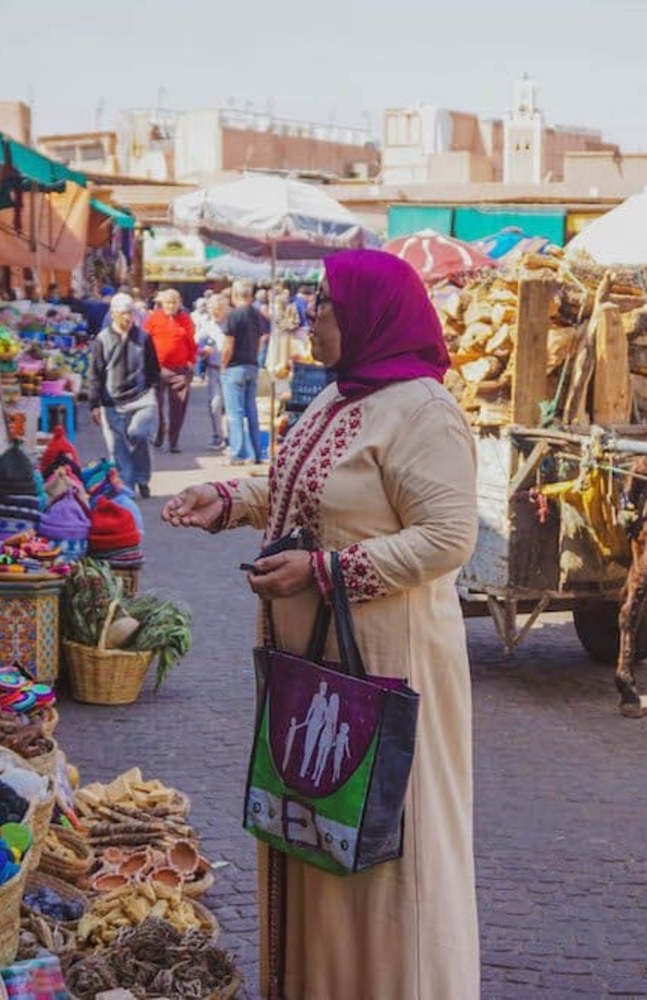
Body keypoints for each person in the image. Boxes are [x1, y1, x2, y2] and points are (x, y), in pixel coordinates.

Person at [161, 249, 480, 999]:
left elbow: (447, 537)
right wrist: (231, 499)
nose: (314, 317)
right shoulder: (339, 398)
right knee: (316, 828)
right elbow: (298, 488)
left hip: (382, 664)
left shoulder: (424, 411)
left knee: (379, 845)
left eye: (328, 305)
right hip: (316, 672)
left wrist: (327, 571)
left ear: (371, 314)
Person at [88, 292, 161, 498]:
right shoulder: (102, 340)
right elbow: (95, 373)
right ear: (113, 315)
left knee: (139, 434)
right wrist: (94, 404)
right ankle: (127, 486)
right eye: (123, 314)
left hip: (142, 397)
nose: (128, 318)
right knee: (118, 446)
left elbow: (154, 368)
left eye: (130, 313)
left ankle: (142, 477)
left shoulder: (144, 337)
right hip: (113, 400)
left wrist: (153, 389)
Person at [222, 280, 269, 465]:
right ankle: (255, 453)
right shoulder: (256, 314)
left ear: (235, 294)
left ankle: (238, 453)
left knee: (235, 413)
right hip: (251, 365)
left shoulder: (233, 315)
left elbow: (228, 344)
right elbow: (261, 340)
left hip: (235, 367)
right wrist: (254, 358)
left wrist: (224, 364)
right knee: (251, 411)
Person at [144, 288, 197, 452]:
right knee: (155, 405)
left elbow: (191, 342)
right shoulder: (154, 318)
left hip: (179, 370)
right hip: (157, 368)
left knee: (178, 407)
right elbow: (145, 341)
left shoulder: (185, 319)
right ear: (162, 303)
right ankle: (160, 430)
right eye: (168, 302)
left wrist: (191, 361)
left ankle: (174, 441)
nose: (171, 306)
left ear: (179, 303)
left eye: (174, 302)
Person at [197, 293, 229, 449]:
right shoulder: (207, 325)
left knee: (230, 406)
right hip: (214, 369)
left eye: (219, 309)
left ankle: (231, 436)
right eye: (212, 309)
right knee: (215, 404)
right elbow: (195, 343)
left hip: (230, 369)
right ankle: (217, 435)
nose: (215, 312)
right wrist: (203, 351)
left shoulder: (231, 323)